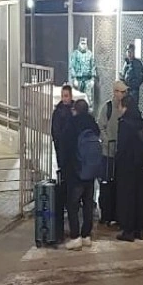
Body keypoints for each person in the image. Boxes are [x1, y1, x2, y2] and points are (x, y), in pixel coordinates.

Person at [57, 98, 102, 250]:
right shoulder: (93, 124)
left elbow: (65, 148)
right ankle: (86, 235)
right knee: (88, 204)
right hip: (90, 171)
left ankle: (75, 236)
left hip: (76, 172)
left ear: (74, 110)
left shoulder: (72, 124)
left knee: (73, 205)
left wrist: (64, 167)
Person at [115, 93, 143, 242]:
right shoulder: (141, 122)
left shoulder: (124, 123)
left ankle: (128, 230)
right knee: (139, 197)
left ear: (125, 107)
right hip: (141, 166)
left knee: (127, 198)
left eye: (120, 106)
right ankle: (139, 229)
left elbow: (122, 147)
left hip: (127, 166)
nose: (119, 108)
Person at [96, 80, 128, 226]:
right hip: (107, 154)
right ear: (115, 92)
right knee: (106, 184)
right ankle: (106, 214)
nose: (123, 94)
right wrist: (107, 140)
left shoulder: (126, 108)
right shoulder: (107, 108)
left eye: (124, 92)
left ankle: (116, 214)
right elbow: (100, 126)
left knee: (117, 185)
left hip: (120, 154)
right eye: (120, 91)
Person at [51, 84, 74, 172]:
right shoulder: (58, 111)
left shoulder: (75, 109)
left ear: (71, 96)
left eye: (66, 96)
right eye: (63, 96)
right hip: (62, 146)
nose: (64, 98)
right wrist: (57, 142)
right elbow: (55, 130)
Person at [121, 44, 143, 108]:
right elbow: (123, 75)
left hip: (133, 92)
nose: (129, 53)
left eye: (131, 51)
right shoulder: (126, 62)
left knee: (132, 108)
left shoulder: (137, 63)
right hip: (125, 91)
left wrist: (129, 86)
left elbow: (139, 79)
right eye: (128, 51)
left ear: (134, 52)